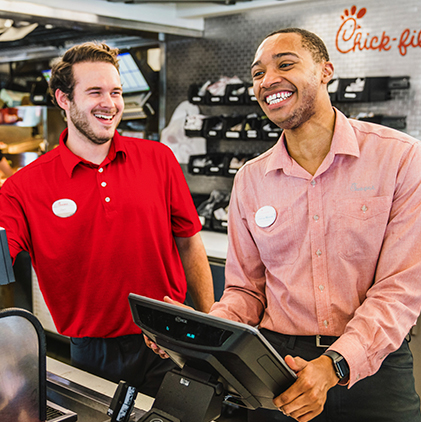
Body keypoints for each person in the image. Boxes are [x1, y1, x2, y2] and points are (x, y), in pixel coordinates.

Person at [149, 28, 421, 421]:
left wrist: (334, 365)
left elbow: (401, 288)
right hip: (276, 370)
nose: (267, 80)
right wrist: (200, 332)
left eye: (286, 64)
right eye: (258, 73)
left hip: (371, 368)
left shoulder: (399, 158)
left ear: (326, 71)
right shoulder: (250, 179)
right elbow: (246, 291)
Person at [0, 41, 214, 397]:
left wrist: (209, 323)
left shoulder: (159, 159)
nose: (110, 103)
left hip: (171, 339)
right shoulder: (23, 186)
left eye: (116, 92)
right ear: (63, 99)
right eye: (95, 91)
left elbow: (189, 240)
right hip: (93, 350)